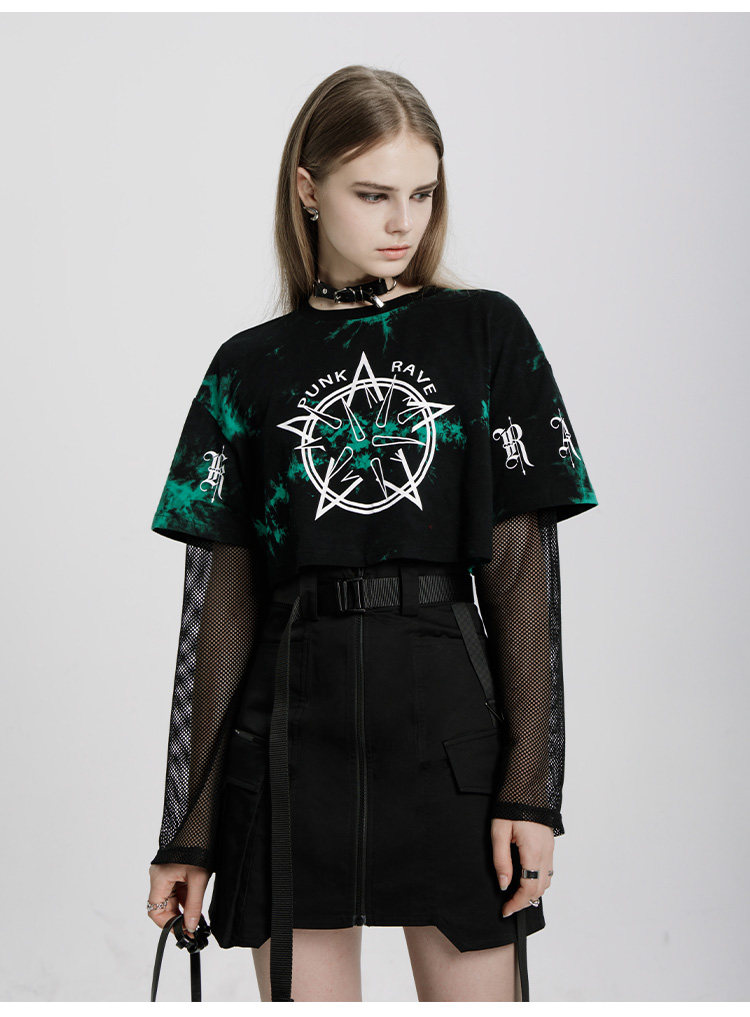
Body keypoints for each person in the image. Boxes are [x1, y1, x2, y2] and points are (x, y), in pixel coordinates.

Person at [146, 64, 598, 1003]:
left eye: (423, 194)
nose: (405, 221)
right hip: (290, 738)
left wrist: (530, 789)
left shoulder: (486, 333)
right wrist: (186, 832)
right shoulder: (248, 367)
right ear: (308, 190)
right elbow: (219, 615)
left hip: (448, 727)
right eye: (373, 194)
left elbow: (523, 577)